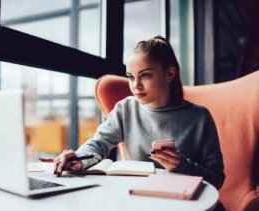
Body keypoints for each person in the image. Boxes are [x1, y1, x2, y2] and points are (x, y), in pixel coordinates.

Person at [41, 35, 225, 190]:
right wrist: (77, 159)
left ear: (170, 74)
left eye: (145, 75)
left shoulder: (200, 118)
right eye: (130, 76)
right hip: (139, 200)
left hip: (185, 203)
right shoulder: (125, 109)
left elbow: (217, 179)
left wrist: (183, 166)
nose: (135, 85)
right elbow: (99, 143)